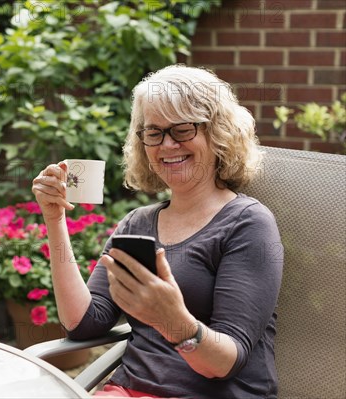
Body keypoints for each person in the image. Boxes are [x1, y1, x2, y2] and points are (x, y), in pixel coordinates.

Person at [31, 64, 283, 398]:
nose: (167, 145)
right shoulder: (139, 223)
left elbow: (225, 363)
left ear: (217, 132)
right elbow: (83, 323)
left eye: (182, 129)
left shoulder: (248, 224)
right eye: (154, 132)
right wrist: (54, 219)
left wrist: (171, 320)